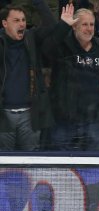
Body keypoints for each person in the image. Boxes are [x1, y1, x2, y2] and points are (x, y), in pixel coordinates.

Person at [42, 5, 99, 151]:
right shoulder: (63, 47)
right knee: (60, 162)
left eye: (92, 24)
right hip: (64, 119)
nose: (89, 29)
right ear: (74, 26)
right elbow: (46, 51)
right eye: (84, 24)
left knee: (94, 162)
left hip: (91, 119)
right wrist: (63, 25)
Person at [0, 2, 55, 151]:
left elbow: (50, 24)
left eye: (23, 20)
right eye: (16, 20)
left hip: (29, 116)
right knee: (4, 164)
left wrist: (38, 2)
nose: (21, 24)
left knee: (30, 162)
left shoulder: (31, 39)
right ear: (5, 23)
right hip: (3, 116)